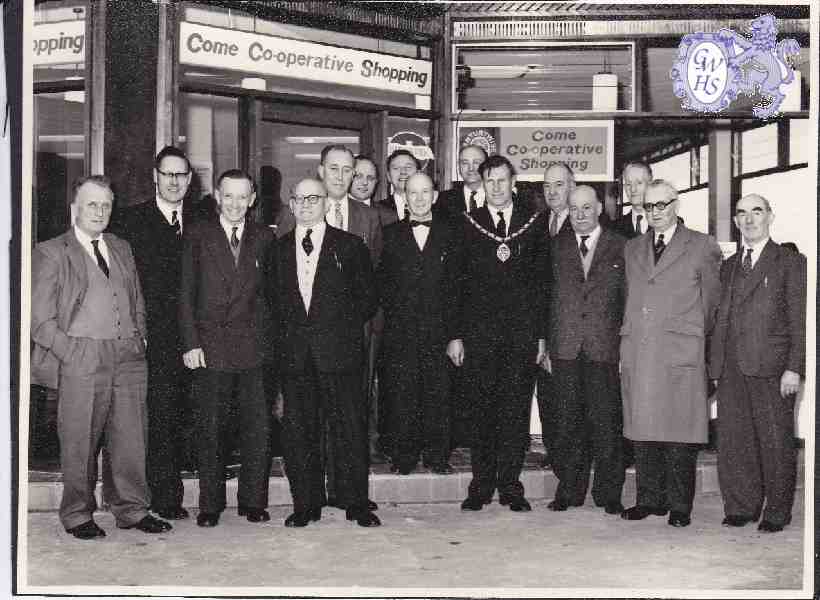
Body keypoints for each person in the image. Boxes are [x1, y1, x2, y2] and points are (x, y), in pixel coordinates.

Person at [30, 175, 172, 539]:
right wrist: (71, 351)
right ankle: (77, 514)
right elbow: (39, 320)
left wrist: (139, 336)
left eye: (106, 205)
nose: (99, 211)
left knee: (131, 439)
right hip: (81, 356)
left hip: (128, 355)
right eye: (91, 204)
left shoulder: (121, 246)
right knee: (80, 440)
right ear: (74, 208)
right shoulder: (51, 251)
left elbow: (137, 298)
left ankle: (132, 509)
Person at [272, 177, 379, 528]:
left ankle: (356, 503)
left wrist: (336, 331)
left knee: (348, 429)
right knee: (299, 431)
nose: (305, 205)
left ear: (325, 204)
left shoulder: (349, 246)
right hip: (296, 358)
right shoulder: (277, 249)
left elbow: (367, 300)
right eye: (299, 199)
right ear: (291, 204)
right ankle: (306, 503)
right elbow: (273, 304)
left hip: (340, 354)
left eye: (312, 199)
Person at [447, 155, 551, 513]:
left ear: (513, 183)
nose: (496, 187)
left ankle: (510, 486)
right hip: (478, 338)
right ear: (481, 184)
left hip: (520, 338)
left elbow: (542, 285)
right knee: (481, 413)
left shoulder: (533, 224)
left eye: (502, 180)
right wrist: (455, 335)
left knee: (514, 412)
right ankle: (480, 486)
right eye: (489, 180)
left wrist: (540, 336)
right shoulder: (466, 224)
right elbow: (456, 285)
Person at [110, 145, 207, 521]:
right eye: (167, 174)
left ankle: (175, 494)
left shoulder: (202, 218)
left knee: (186, 416)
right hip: (151, 338)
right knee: (156, 418)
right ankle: (156, 497)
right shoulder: (131, 221)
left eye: (181, 175)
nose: (174, 182)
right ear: (155, 176)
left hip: (195, 337)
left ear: (189, 180)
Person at [619, 179, 721, 528]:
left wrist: (690, 337)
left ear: (676, 205)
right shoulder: (632, 248)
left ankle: (680, 505)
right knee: (643, 428)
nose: (655, 213)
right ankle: (649, 499)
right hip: (640, 350)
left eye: (661, 205)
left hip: (680, 351)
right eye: (648, 206)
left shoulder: (702, 246)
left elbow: (711, 305)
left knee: (680, 432)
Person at [179, 169, 276, 527]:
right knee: (211, 429)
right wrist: (190, 342)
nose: (236, 204)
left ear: (252, 200)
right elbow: (186, 295)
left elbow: (271, 297)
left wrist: (271, 345)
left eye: (243, 197)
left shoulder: (265, 238)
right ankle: (210, 504)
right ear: (218, 196)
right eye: (229, 196)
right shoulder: (198, 234)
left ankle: (253, 501)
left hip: (254, 348)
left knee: (257, 428)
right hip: (211, 347)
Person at [709, 194, 806, 533]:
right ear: (735, 221)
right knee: (735, 441)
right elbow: (720, 318)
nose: (749, 219)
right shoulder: (730, 264)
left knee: (776, 442)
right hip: (732, 368)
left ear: (770, 216)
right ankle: (741, 507)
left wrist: (794, 367)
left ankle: (777, 512)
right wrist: (716, 367)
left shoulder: (790, 261)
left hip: (774, 369)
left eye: (757, 211)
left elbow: (800, 320)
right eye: (742, 214)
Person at [545, 185, 626, 515]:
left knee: (606, 425)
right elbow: (546, 299)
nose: (579, 214)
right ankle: (570, 490)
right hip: (564, 348)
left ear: (599, 210)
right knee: (568, 424)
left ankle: (609, 493)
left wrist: (625, 348)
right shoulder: (555, 247)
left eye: (586, 208)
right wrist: (547, 345)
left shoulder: (621, 247)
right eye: (574, 208)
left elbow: (628, 301)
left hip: (605, 349)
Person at [377, 172, 458, 475]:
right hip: (401, 332)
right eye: (413, 193)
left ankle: (438, 456)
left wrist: (455, 335)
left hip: (441, 331)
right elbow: (381, 284)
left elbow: (458, 286)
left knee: (439, 394)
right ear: (404, 197)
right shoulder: (389, 234)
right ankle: (404, 457)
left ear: (435, 196)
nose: (420, 198)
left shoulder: (452, 233)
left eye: (426, 192)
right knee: (403, 394)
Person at [317, 145, 382, 509]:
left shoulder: (368, 218)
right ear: (322, 171)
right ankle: (319, 488)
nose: (342, 177)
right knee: (317, 413)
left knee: (352, 414)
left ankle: (350, 491)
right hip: (314, 335)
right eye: (335, 169)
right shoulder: (303, 208)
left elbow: (374, 278)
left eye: (348, 171)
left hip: (355, 334)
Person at [536, 161, 576, 468]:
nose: (552, 191)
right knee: (546, 395)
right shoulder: (537, 223)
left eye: (559, 185)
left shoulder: (583, 223)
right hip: (540, 327)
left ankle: (570, 456)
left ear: (572, 186)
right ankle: (554, 451)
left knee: (570, 398)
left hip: (570, 331)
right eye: (547, 186)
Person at [435, 144, 488, 222]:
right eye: (465, 163)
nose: (471, 168)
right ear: (458, 167)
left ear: (486, 166)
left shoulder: (499, 196)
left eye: (476, 162)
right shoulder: (444, 199)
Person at [378, 149, 420, 225]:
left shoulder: (432, 207)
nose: (403, 172)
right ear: (388, 176)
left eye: (408, 167)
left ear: (418, 173)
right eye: (396, 168)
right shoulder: (377, 210)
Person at [612, 162, 651, 238]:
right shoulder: (614, 229)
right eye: (628, 184)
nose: (633, 189)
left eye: (639, 183)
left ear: (650, 184)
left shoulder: (669, 223)